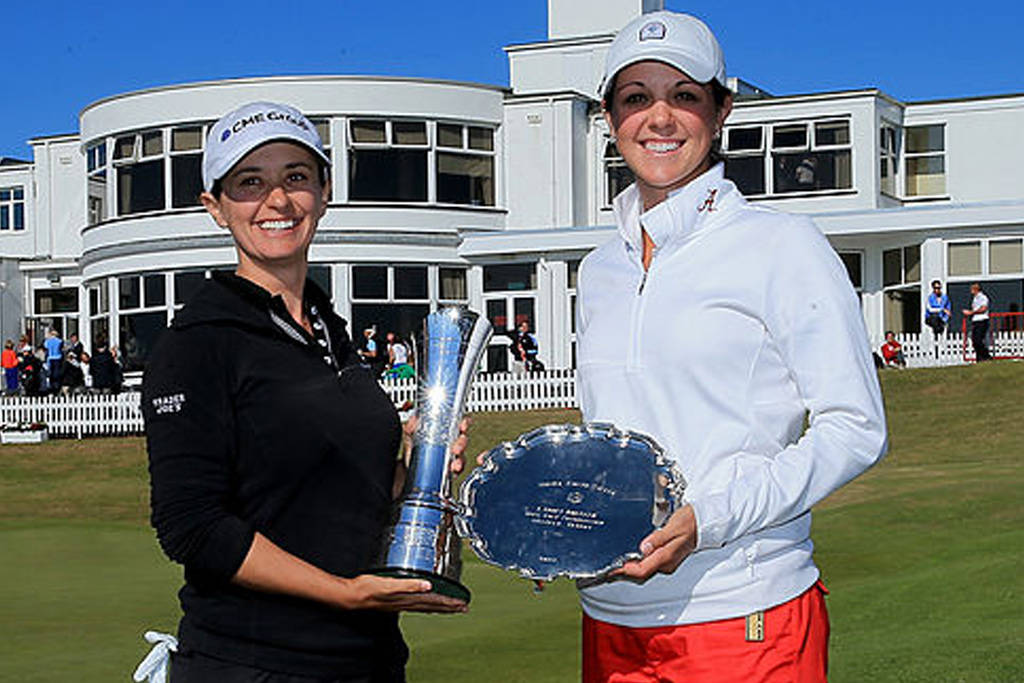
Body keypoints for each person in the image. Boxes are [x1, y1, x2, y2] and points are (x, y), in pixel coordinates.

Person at [573, 12, 886, 682]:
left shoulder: (783, 244)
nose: (659, 118)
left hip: (746, 616)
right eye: (635, 98)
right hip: (610, 617)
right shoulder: (598, 269)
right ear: (608, 117)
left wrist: (706, 519)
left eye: (684, 95)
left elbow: (855, 428)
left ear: (721, 110)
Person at [141, 101, 467, 683]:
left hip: (367, 659)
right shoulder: (197, 342)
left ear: (324, 191)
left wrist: (414, 471)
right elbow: (193, 526)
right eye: (249, 183)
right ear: (215, 208)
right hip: (253, 664)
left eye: (296, 177)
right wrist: (342, 594)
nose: (277, 200)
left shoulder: (329, 330)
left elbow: (333, 490)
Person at [962, 282, 992, 361]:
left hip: (982, 320)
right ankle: (979, 358)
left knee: (978, 340)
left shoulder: (982, 297)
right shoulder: (975, 298)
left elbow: (983, 308)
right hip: (975, 321)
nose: (971, 290)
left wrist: (971, 312)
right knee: (975, 341)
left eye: (972, 289)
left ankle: (987, 356)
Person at [43, 328, 64, 394]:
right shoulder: (60, 341)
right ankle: (56, 387)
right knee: (56, 373)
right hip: (58, 357)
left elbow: (45, 347)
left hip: (50, 358)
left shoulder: (47, 341)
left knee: (50, 373)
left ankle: (51, 386)